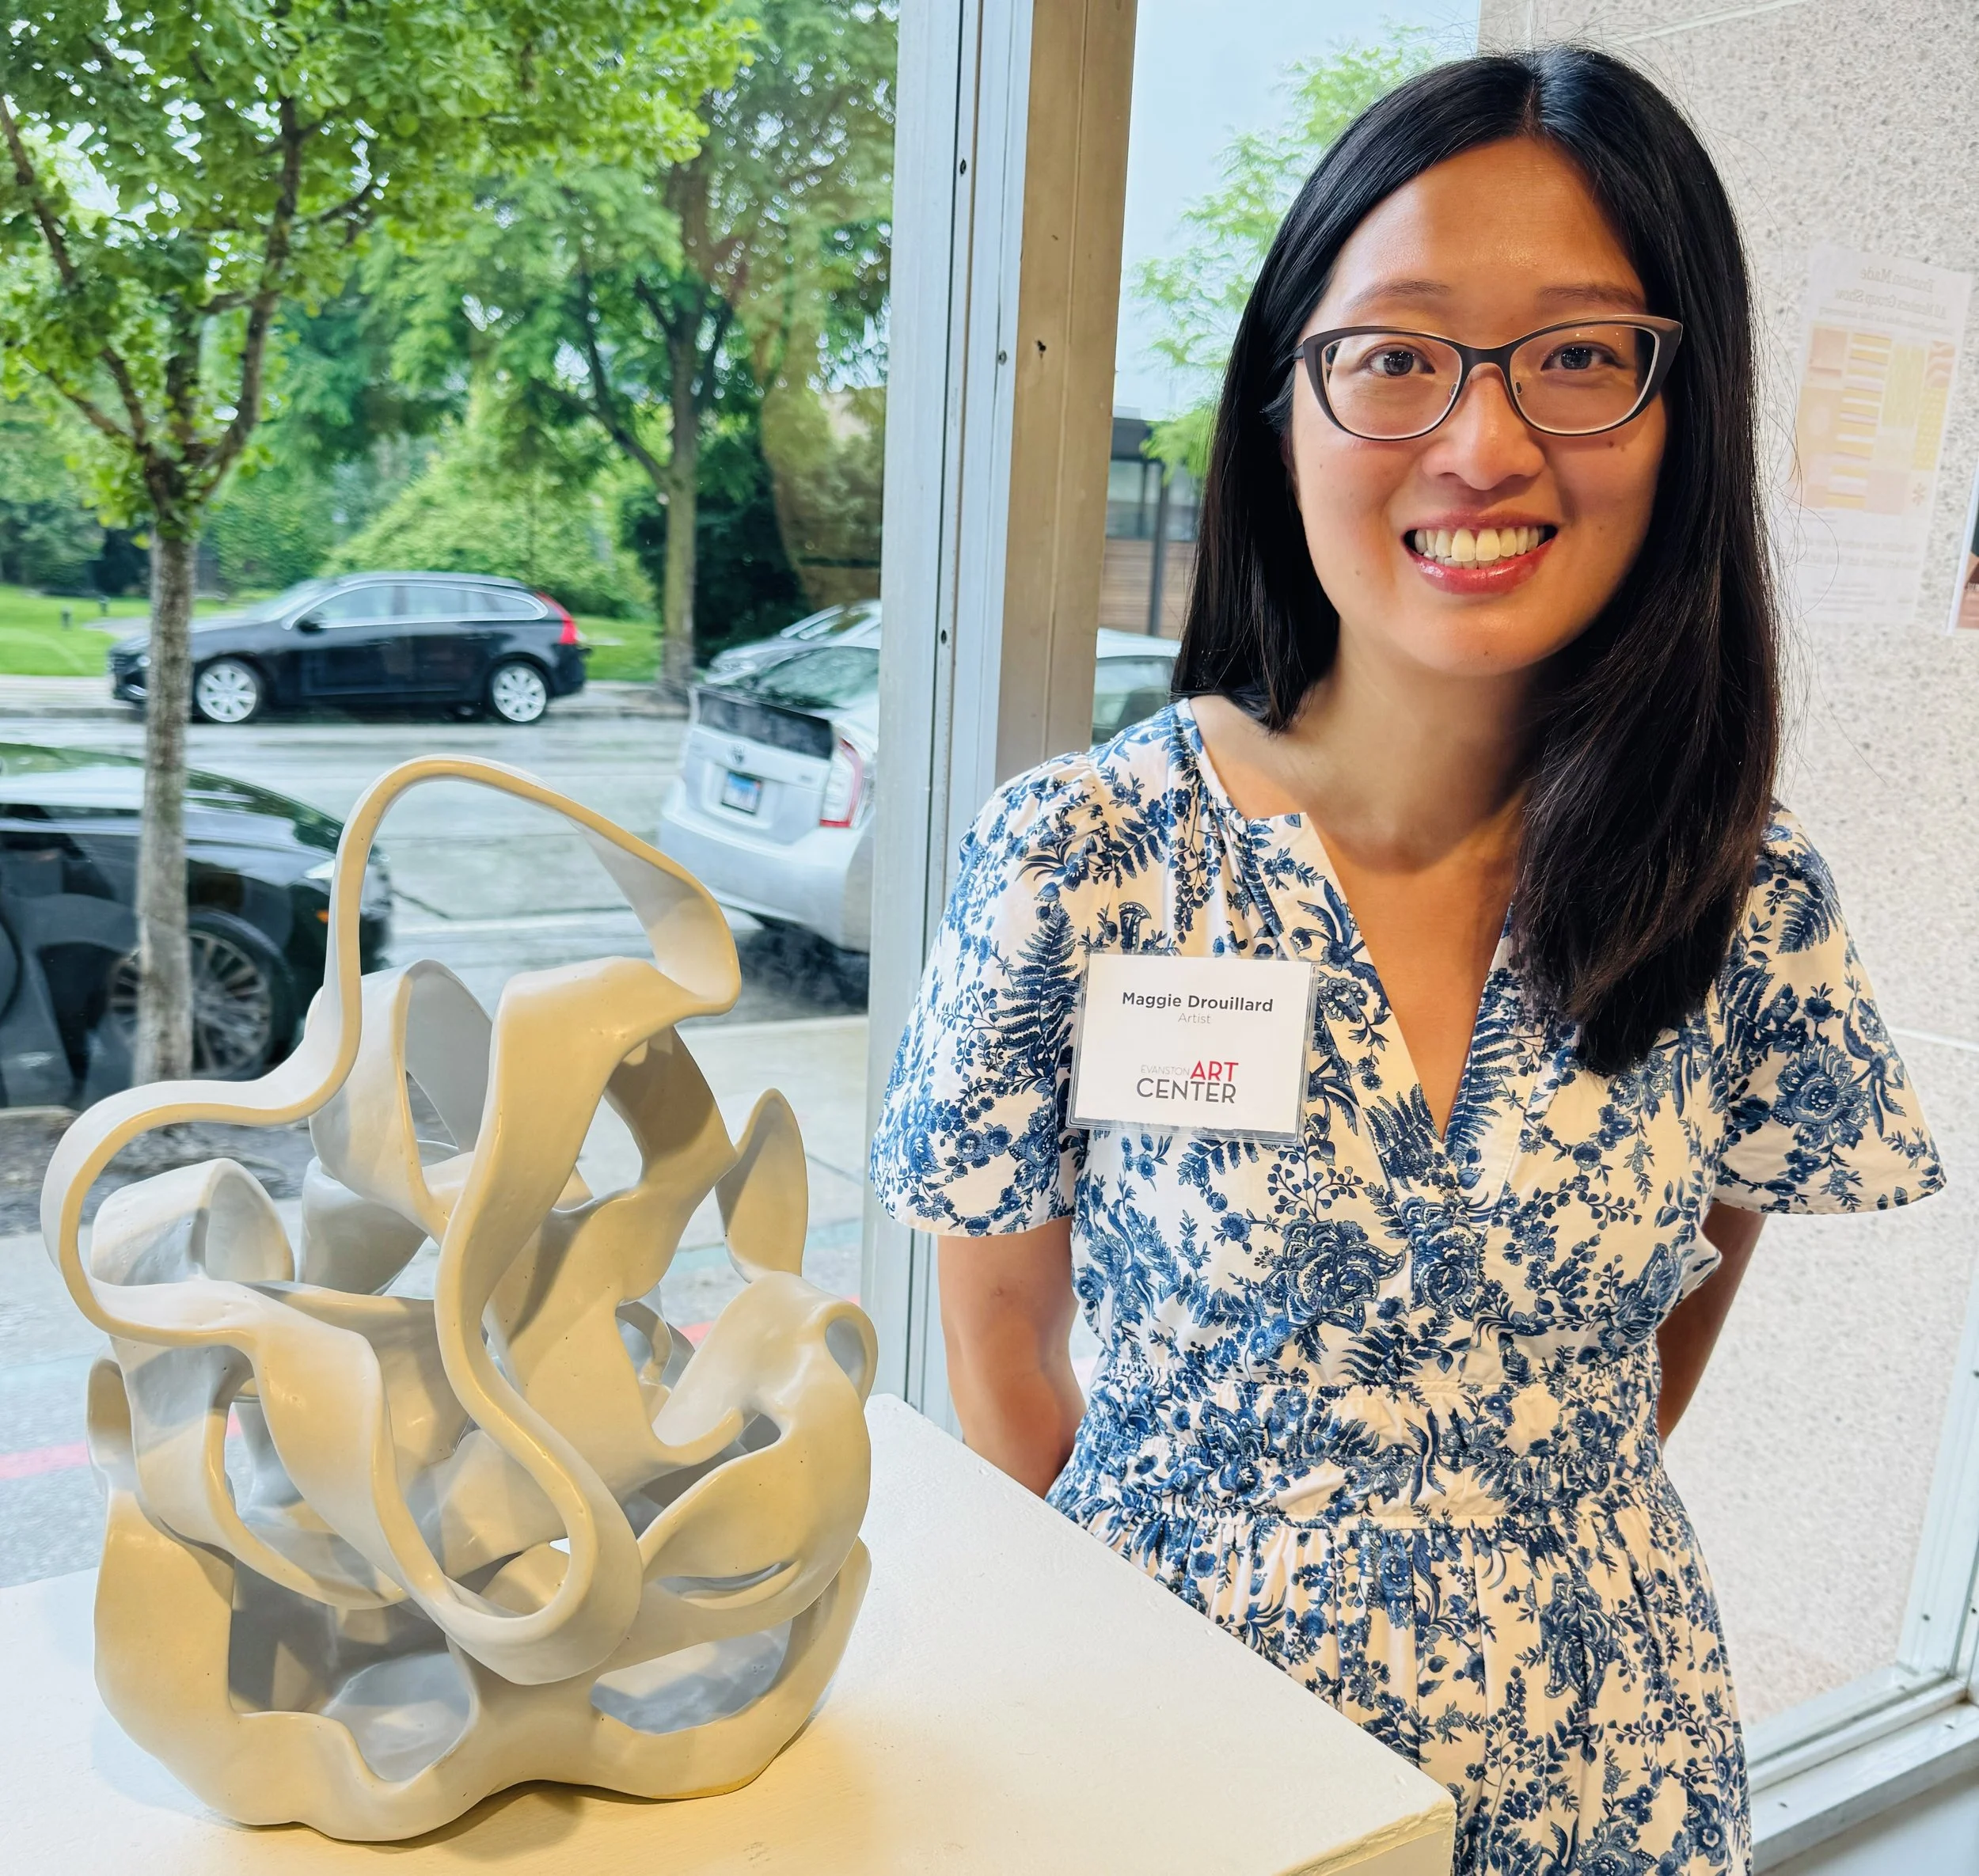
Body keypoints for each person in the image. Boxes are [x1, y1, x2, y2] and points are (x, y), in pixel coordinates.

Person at [869, 44, 1944, 1876]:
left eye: (1580, 356)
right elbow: (1001, 1369)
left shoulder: (1740, 894)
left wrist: (1499, 1515)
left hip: (1606, 1759)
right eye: (1396, 357)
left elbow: (1658, 1338)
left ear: (1684, 411)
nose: (1482, 443)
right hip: (1175, 1751)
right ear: (1282, 403)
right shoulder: (1080, 857)